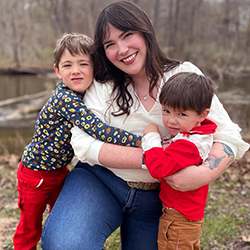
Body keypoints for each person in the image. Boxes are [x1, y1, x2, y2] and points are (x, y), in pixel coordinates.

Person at [41, 2, 249, 250]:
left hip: (158, 197)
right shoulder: (100, 83)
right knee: (67, 245)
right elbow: (82, 143)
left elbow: (227, 135)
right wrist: (153, 159)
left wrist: (204, 174)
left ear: (146, 28)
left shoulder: (183, 75)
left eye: (127, 35)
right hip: (100, 181)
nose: (122, 49)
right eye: (110, 44)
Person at [13, 32, 142, 250]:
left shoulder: (86, 93)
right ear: (57, 71)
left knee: (60, 220)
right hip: (36, 174)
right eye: (67, 65)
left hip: (59, 171)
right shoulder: (66, 98)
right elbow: (97, 129)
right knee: (30, 228)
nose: (75, 71)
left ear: (95, 67)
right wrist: (137, 141)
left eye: (83, 64)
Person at [142, 72, 217, 249]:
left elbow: (158, 168)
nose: (171, 121)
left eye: (182, 114)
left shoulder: (190, 144)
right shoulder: (196, 133)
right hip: (184, 213)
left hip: (179, 216)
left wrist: (151, 136)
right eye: (166, 111)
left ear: (202, 115)